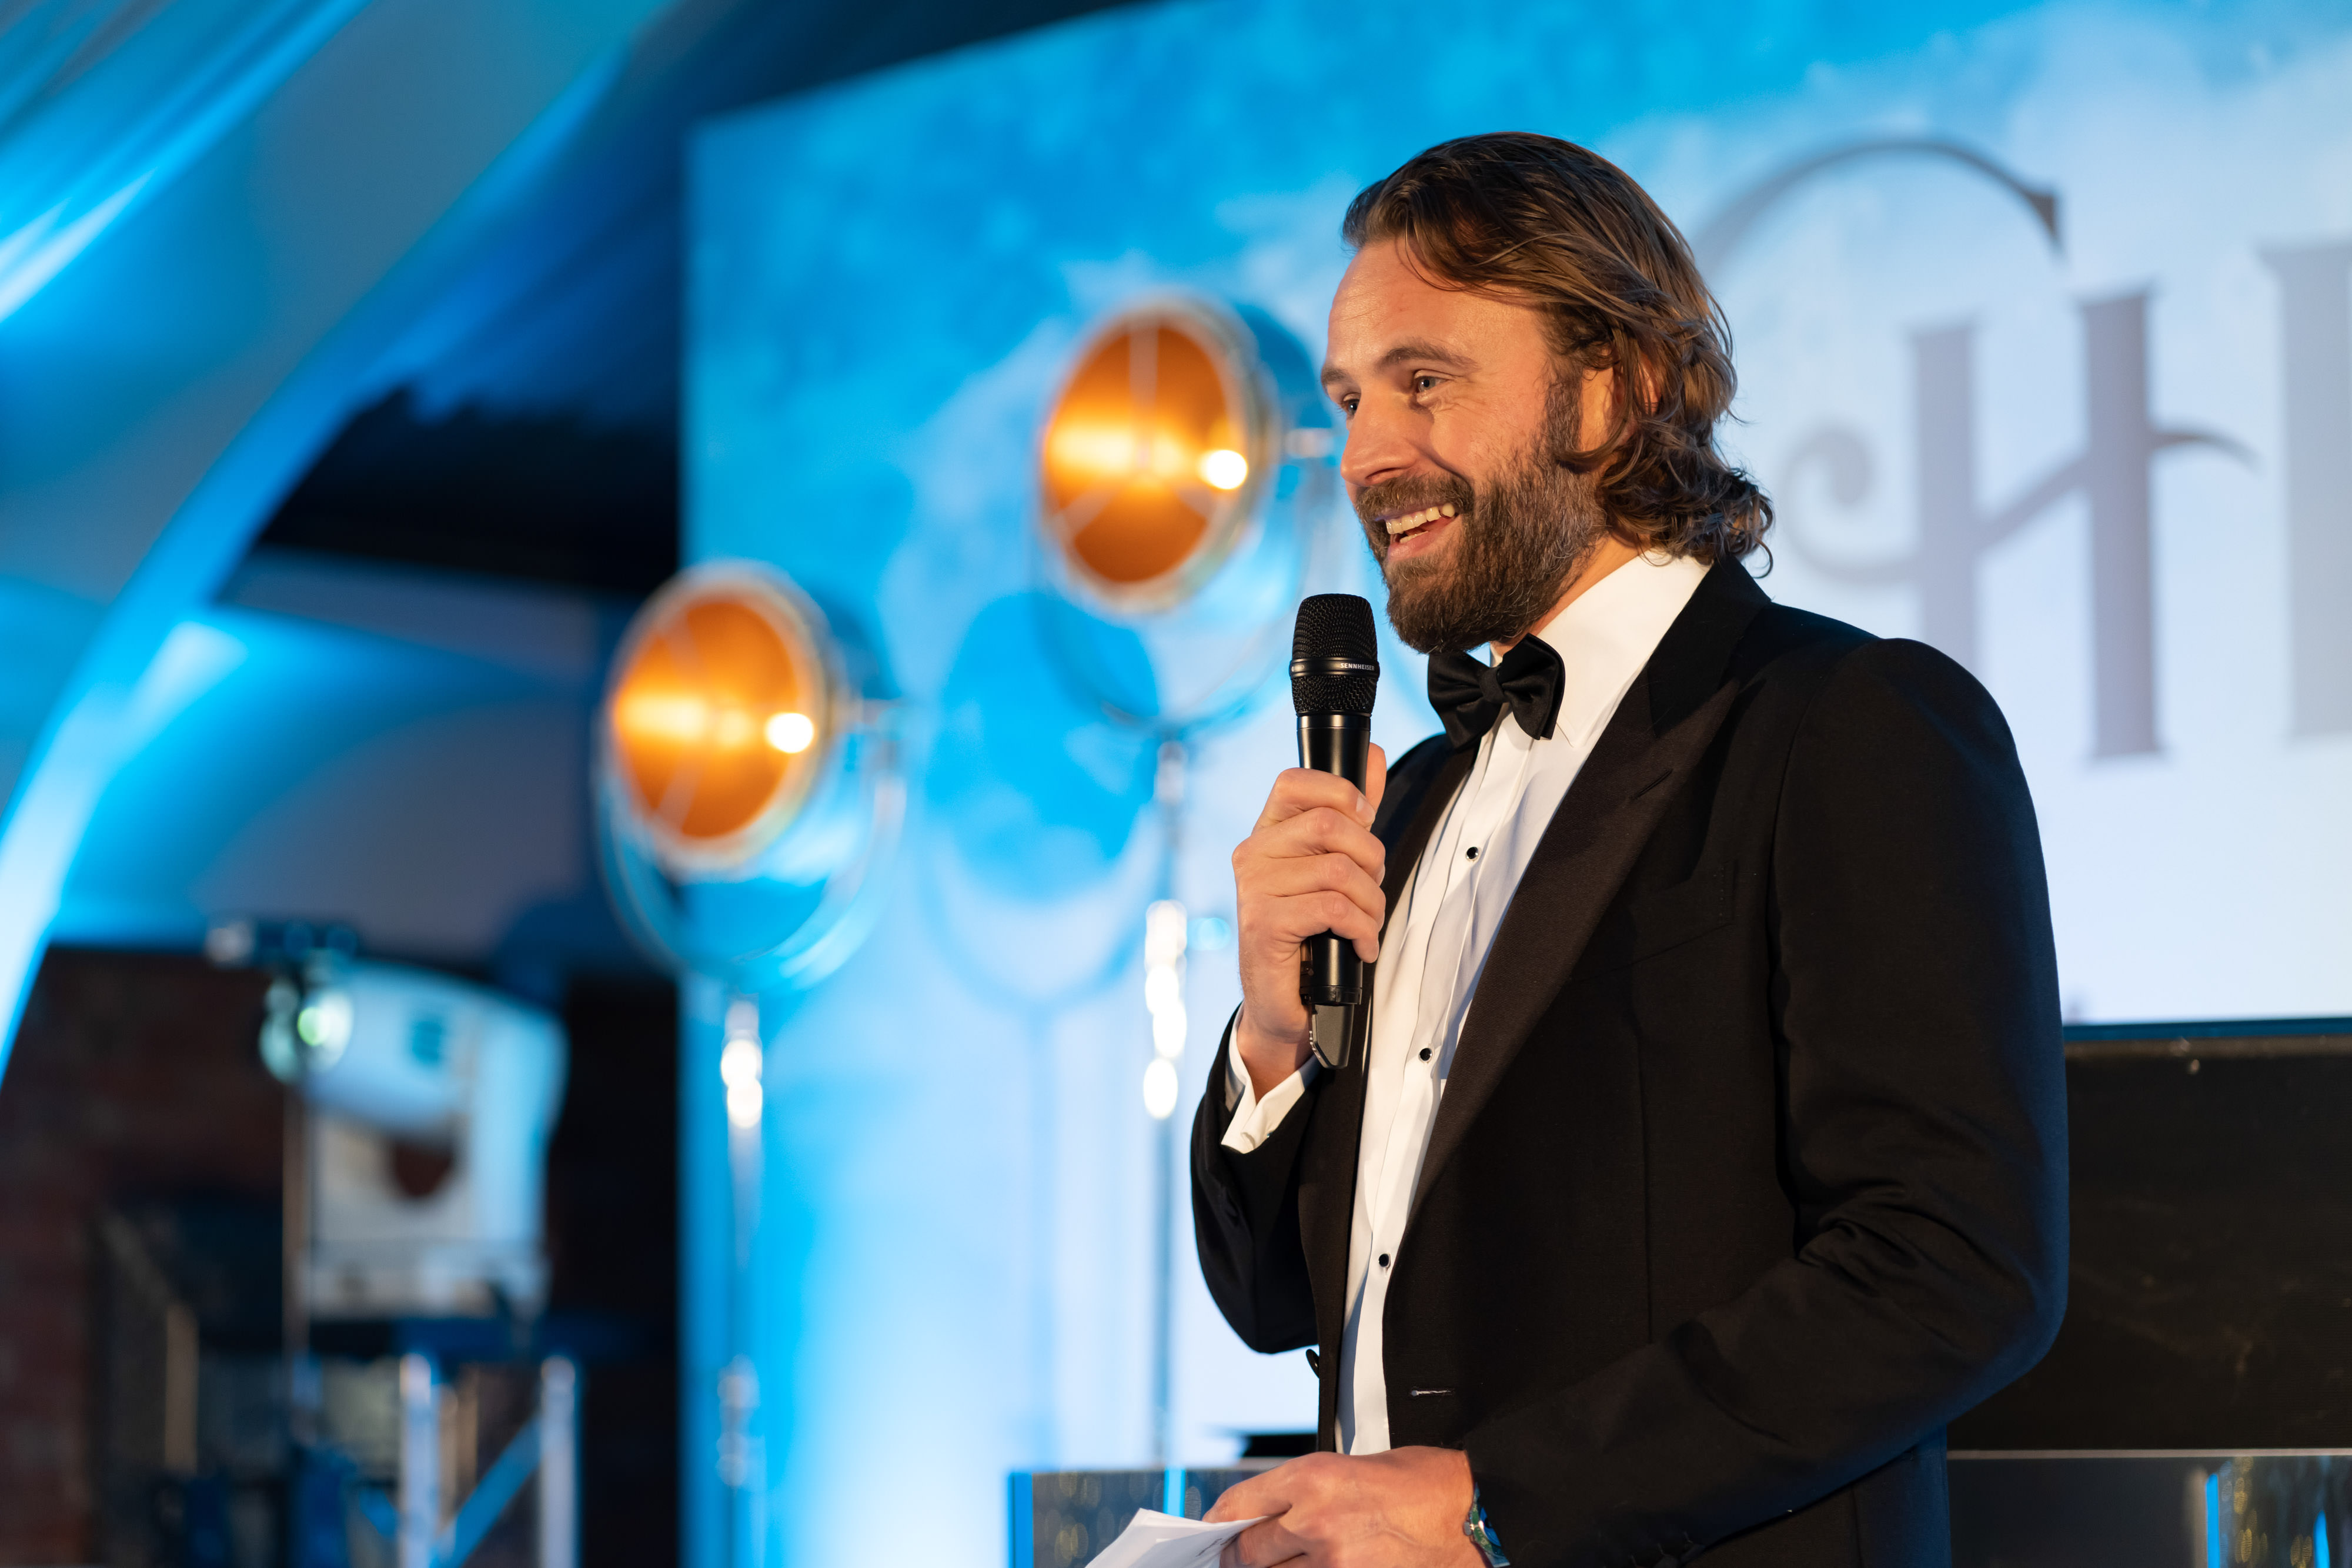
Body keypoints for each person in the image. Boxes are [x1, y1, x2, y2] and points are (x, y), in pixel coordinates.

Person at [1193, 132, 2067, 1568]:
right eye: (1349, 401)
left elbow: (1953, 1267)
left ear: (1615, 386)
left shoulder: (1846, 726)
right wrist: (1276, 1042)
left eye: (1423, 381)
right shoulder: (1406, 801)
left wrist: (1491, 1504)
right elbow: (1277, 1298)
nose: (1363, 458)